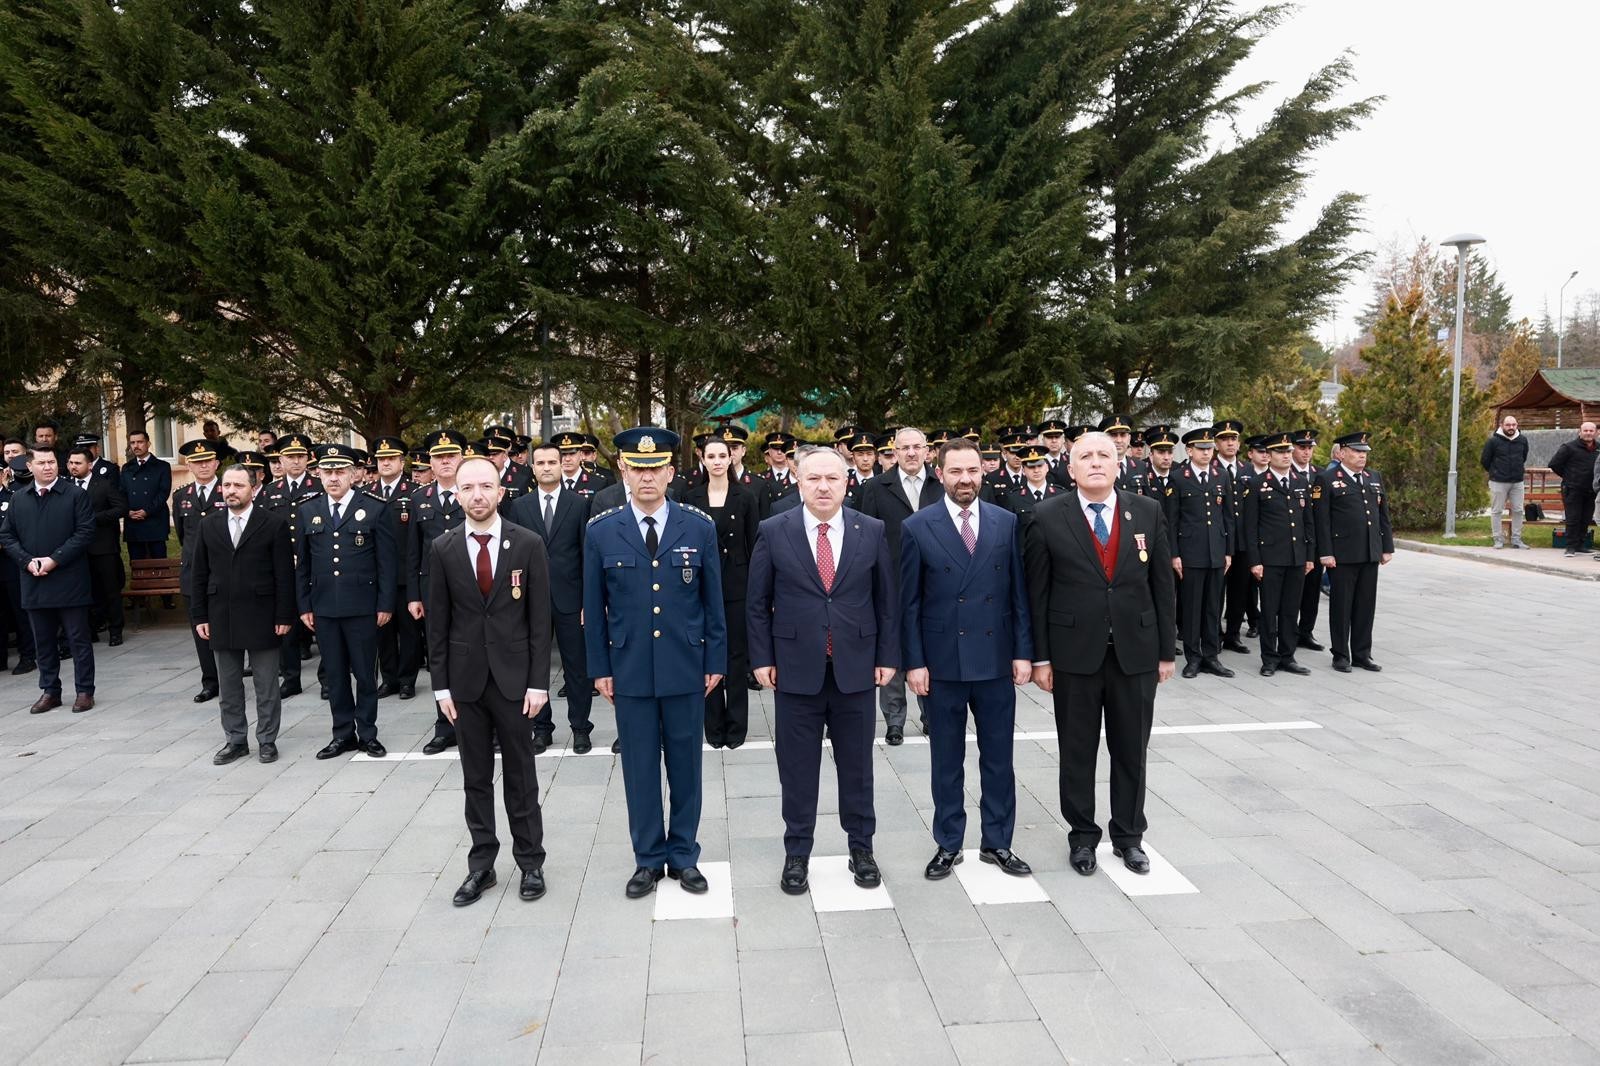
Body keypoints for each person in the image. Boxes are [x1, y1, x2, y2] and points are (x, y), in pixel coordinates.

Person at [748, 445, 899, 896]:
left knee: (857, 767)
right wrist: (761, 659)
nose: (823, 487)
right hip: (795, 671)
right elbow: (756, 605)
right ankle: (797, 851)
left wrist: (888, 656)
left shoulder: (869, 530)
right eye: (813, 478)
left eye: (832, 478)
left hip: (855, 669)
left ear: (846, 481)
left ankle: (862, 848)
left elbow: (886, 601)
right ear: (798, 482)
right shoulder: (775, 530)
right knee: (796, 769)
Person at [1024, 431, 1175, 877]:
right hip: (1074, 656)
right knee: (1077, 750)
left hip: (1136, 652)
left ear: (1119, 462)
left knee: (1132, 748)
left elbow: (1162, 588)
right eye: (1084, 456)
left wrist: (1167, 651)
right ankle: (1083, 837)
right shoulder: (1047, 516)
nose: (1094, 463)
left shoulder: (1146, 510)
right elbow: (1038, 592)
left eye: (1103, 455)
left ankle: (1129, 836)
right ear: (1069, 468)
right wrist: (1041, 658)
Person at [584, 427, 726, 899]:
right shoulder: (602, 530)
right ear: (624, 470)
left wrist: (716, 660)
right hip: (629, 668)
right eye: (638, 468)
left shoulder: (698, 526)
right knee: (640, 768)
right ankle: (647, 858)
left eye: (656, 468)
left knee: (686, 765)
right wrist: (599, 667)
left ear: (671, 471)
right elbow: (593, 607)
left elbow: (713, 604)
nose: (647, 477)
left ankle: (684, 855)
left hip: (686, 664)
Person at [900, 438, 1034, 880]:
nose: (965, 480)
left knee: (999, 758)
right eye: (956, 472)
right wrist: (914, 662)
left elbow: (1019, 595)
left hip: (995, 659)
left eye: (972, 471)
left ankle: (997, 842)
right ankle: (949, 842)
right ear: (940, 474)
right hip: (943, 663)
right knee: (946, 758)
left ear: (984, 472)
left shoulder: (1006, 522)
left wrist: (1023, 652)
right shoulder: (918, 526)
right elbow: (910, 604)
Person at [425, 454, 553, 906]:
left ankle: (531, 862)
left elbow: (540, 622)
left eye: (485, 486)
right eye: (467, 488)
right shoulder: (443, 547)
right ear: (456, 494)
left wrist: (539, 683)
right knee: (475, 778)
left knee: (521, 775)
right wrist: (441, 687)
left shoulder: (528, 544)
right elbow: (436, 625)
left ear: (501, 492)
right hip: (465, 685)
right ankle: (481, 865)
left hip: (516, 682)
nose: (477, 495)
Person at [189, 463, 296, 764]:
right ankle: (235, 740)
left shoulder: (272, 524)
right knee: (229, 685)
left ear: (253, 488)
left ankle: (267, 740)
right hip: (221, 615)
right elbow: (199, 574)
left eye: (239, 485)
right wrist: (199, 616)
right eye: (227, 485)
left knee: (266, 685)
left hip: (263, 615)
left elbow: (284, 575)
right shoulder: (209, 525)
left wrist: (284, 616)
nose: (232, 491)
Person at [295, 444, 396, 758]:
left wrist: (385, 604)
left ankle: (367, 733)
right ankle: (342, 734)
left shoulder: (376, 508)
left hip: (363, 606)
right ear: (319, 474)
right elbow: (303, 565)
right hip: (324, 607)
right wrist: (304, 605)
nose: (333, 478)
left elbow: (387, 564)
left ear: (356, 474)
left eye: (340, 471)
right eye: (327, 472)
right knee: (335, 675)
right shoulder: (307, 509)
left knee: (365, 674)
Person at [505, 441, 595, 753]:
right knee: (535, 666)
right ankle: (541, 728)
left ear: (562, 465)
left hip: (570, 599)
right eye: (540, 463)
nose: (546, 468)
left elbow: (586, 555)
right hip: (531, 600)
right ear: (532, 467)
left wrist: (587, 601)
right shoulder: (520, 506)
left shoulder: (579, 504)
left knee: (577, 668)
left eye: (552, 462)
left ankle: (581, 728)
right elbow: (513, 557)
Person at [855, 426, 938, 743]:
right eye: (904, 448)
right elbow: (866, 535)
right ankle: (894, 720)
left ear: (927, 450)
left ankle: (931, 712)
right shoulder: (877, 487)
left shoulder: (939, 484)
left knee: (931, 647)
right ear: (895, 451)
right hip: (892, 580)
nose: (912, 453)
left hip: (935, 580)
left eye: (918, 447)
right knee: (891, 646)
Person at [0, 445, 97, 713]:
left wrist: (54, 559)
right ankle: (50, 690)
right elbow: (7, 535)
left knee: (78, 640)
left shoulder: (75, 494)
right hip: (34, 580)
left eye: (52, 462)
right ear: (29, 466)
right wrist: (27, 561)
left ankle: (84, 691)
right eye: (41, 462)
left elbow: (85, 532)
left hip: (70, 580)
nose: (48, 467)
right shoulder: (19, 499)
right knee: (43, 641)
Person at [680, 436, 759, 748]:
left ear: (731, 459)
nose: (716, 461)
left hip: (737, 586)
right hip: (699, 586)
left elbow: (755, 546)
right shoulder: (690, 496)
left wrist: (758, 593)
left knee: (737, 658)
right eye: (710, 456)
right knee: (706, 657)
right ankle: (712, 727)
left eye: (721, 455)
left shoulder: (746, 497)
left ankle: (736, 727)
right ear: (702, 459)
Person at [407, 430, 469, 754]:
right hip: (433, 592)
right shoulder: (419, 499)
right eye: (439, 456)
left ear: (462, 458)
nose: (445, 461)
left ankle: (476, 723)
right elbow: (413, 551)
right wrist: (413, 595)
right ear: (430, 461)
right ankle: (444, 726)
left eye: (451, 455)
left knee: (475, 653)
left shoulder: (472, 493)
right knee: (439, 657)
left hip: (471, 590)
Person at [1313, 432, 1394, 673]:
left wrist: (1386, 546)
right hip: (1342, 554)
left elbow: (1383, 516)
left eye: (1365, 452)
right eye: (1357, 452)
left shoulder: (1373, 477)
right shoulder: (1326, 479)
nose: (1362, 456)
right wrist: (1325, 552)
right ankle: (1340, 654)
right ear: (1343, 452)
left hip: (1369, 552)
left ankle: (1362, 653)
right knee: (1341, 606)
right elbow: (1322, 520)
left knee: (1365, 605)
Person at [1240, 433, 1314, 677]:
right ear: (1269, 455)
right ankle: (1269, 658)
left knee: (1291, 609)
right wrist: (1255, 561)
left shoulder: (1301, 482)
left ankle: (1288, 655)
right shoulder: (1257, 483)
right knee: (1270, 610)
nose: (1285, 455)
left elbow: (1308, 523)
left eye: (1287, 451)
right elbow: (1250, 527)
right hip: (1270, 558)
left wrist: (1309, 556)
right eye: (1279, 452)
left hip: (1296, 557)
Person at [1164, 427, 1233, 679]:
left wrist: (1228, 551)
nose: (1206, 453)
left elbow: (1227, 517)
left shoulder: (1221, 475)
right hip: (1190, 553)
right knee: (1192, 608)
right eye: (1201, 449)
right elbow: (1171, 520)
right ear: (1189, 451)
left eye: (1209, 448)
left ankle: (1211, 656)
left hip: (1216, 551)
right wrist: (1174, 554)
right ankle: (1193, 657)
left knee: (1213, 607)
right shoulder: (1178, 477)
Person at [174, 439, 230, 702]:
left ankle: (231, 679)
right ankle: (210, 682)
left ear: (217, 463)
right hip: (193, 573)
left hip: (224, 572)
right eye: (197, 462)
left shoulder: (228, 491)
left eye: (208, 460)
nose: (203, 465)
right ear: (189, 465)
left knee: (228, 626)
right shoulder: (181, 497)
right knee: (200, 629)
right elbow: (184, 537)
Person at [64, 448, 128, 646]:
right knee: (84, 591)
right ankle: (90, 629)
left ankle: (115, 630)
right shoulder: (65, 486)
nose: (73, 467)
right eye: (71, 463)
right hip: (77, 550)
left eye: (78, 463)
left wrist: (95, 519)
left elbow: (121, 508)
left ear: (90, 465)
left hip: (103, 547)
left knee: (110, 590)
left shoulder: (104, 485)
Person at [122, 431, 172, 572]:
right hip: (133, 522)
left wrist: (147, 511)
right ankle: (140, 593)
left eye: (140, 442)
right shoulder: (127, 468)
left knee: (159, 562)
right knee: (137, 564)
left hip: (155, 521)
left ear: (148, 443)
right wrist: (128, 511)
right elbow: (121, 493)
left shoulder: (162, 466)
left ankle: (165, 593)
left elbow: (163, 493)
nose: (136, 446)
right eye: (132, 443)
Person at [1548, 422, 1597, 557]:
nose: (1588, 433)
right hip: (1572, 489)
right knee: (1573, 518)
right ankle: (1570, 547)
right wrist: (1569, 476)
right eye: (1585, 430)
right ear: (1579, 432)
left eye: (1591, 431)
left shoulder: (1598, 448)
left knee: (1586, 518)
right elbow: (1554, 464)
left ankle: (1580, 545)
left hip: (1591, 490)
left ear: (1596, 433)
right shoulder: (1568, 447)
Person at [1481, 414, 1530, 549]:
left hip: (1517, 482)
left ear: (1517, 426)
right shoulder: (1493, 441)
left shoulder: (1522, 440)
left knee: (1518, 511)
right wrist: (1495, 472)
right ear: (1502, 426)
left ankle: (1516, 540)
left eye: (1513, 425)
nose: (1511, 427)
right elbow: (1485, 460)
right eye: (1508, 425)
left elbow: (1523, 457)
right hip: (1498, 481)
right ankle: (1498, 539)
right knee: (1497, 511)